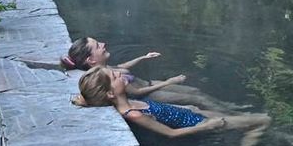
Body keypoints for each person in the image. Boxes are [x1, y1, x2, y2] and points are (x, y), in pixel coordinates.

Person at [79, 65, 271, 146]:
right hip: (197, 123)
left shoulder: (129, 102)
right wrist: (207, 126)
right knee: (262, 120)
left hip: (193, 114)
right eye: (115, 77)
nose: (120, 75)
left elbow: (160, 110)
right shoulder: (133, 114)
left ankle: (285, 137)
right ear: (111, 93)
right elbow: (171, 133)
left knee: (246, 119)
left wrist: (186, 107)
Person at [61, 36, 246, 111]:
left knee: (196, 92)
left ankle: (226, 106)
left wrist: (143, 57)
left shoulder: (106, 67)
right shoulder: (103, 76)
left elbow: (124, 66)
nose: (103, 44)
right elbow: (136, 93)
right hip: (153, 93)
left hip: (151, 83)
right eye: (97, 46)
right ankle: (231, 112)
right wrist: (169, 81)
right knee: (196, 98)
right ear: (91, 60)